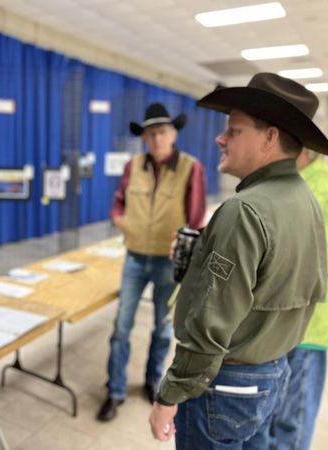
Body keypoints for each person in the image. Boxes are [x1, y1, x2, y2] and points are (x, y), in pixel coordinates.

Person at [148, 72, 328, 448]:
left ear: (269, 137)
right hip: (271, 373)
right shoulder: (305, 199)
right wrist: (206, 249)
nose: (220, 138)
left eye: (233, 130)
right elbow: (280, 278)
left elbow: (210, 322)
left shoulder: (244, 211)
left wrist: (170, 395)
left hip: (223, 384)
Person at [97, 103, 207, 421]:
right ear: (144, 138)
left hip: (168, 263)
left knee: (162, 328)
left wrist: (186, 248)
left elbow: (197, 217)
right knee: (120, 329)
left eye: (162, 132)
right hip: (134, 257)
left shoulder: (191, 167)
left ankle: (152, 381)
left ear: (173, 134)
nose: (156, 138)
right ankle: (115, 391)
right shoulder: (134, 166)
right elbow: (119, 200)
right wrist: (119, 219)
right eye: (150, 134)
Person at [270, 148, 328, 450]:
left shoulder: (325, 192)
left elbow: (320, 269)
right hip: (291, 323)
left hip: (310, 327)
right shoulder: (301, 183)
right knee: (279, 410)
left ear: (303, 149)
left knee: (293, 418)